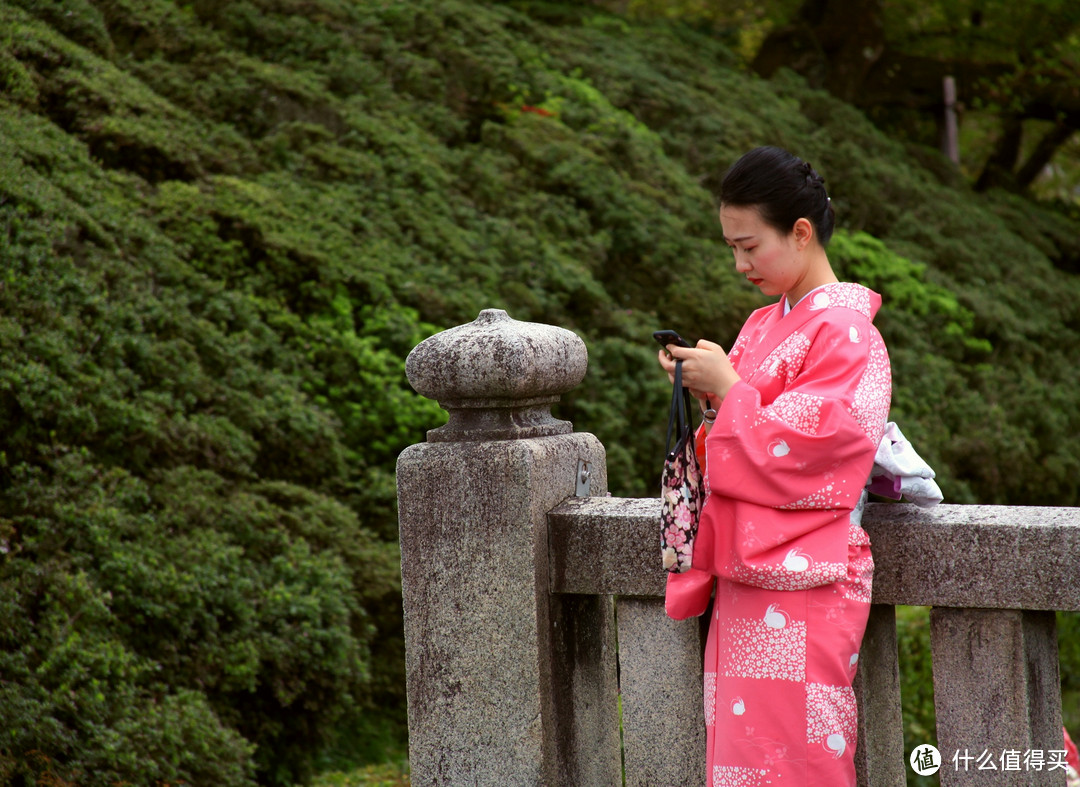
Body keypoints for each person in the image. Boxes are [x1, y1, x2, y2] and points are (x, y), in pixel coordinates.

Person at [658, 145, 892, 786]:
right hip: (747, 575)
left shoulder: (846, 330)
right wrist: (711, 396)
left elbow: (825, 448)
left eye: (750, 246)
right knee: (741, 760)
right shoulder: (765, 323)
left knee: (798, 760)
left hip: (808, 576)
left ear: (801, 231)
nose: (739, 264)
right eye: (731, 248)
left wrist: (731, 392)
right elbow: (740, 439)